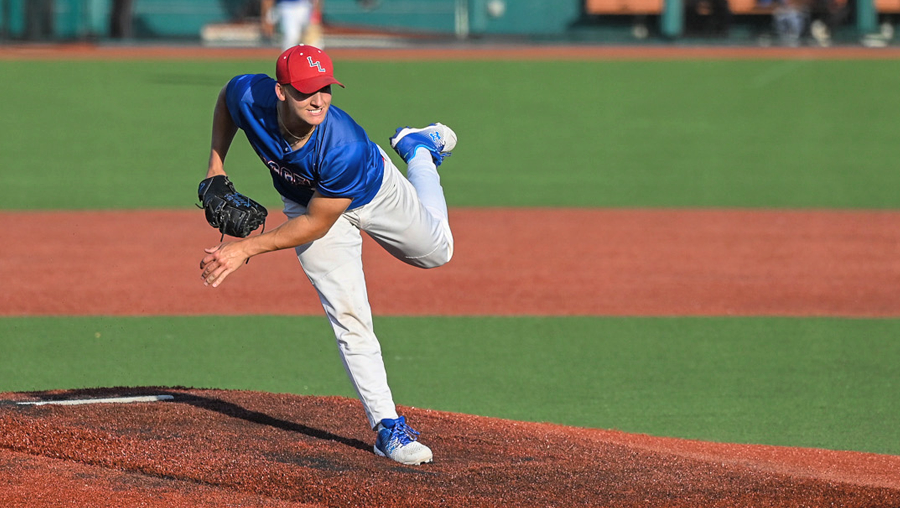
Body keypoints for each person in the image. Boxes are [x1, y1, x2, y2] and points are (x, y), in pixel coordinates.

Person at [198, 44, 456, 466]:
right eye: (305, 91)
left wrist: (243, 249)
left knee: (437, 252)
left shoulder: (344, 145)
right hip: (307, 204)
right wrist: (216, 165)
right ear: (281, 91)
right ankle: (388, 427)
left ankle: (419, 151)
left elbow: (317, 223)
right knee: (349, 314)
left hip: (372, 194)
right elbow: (228, 96)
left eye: (325, 89)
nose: (318, 99)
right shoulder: (251, 96)